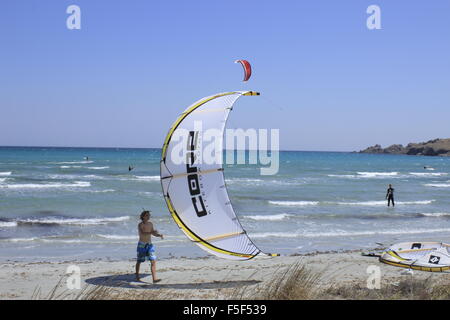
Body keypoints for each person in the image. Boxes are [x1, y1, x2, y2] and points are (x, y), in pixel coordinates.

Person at [135, 210, 164, 283]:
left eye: (149, 215)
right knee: (139, 261)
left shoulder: (150, 224)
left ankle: (154, 279)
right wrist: (152, 232)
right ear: (143, 216)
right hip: (142, 245)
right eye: (147, 215)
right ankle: (137, 275)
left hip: (149, 245)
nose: (149, 216)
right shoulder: (140, 225)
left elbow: (153, 233)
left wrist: (158, 235)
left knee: (153, 261)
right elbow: (143, 233)